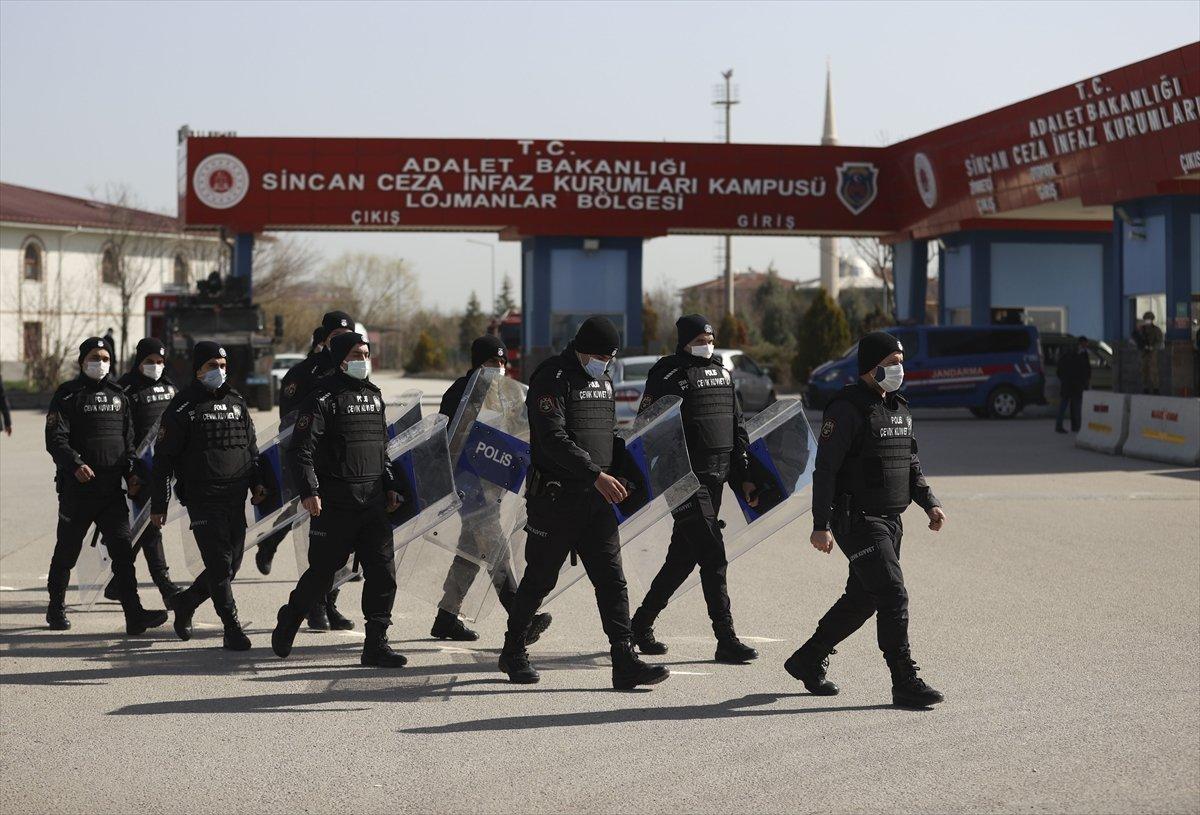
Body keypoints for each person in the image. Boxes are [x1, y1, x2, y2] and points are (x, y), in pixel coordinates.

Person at [498, 316, 670, 690]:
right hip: (557, 499)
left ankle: (624, 660)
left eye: (610, 357)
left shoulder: (603, 380)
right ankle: (513, 650)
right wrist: (595, 473)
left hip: (597, 499)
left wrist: (630, 469)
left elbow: (605, 434)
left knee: (611, 580)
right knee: (539, 579)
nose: (604, 362)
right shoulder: (551, 378)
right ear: (580, 349)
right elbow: (552, 437)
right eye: (599, 355)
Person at [785, 331, 947, 708]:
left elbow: (909, 463)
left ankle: (807, 659)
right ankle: (904, 681)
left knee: (862, 599)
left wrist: (929, 502)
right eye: (891, 363)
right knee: (892, 594)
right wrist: (820, 525)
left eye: (901, 362)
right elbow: (825, 469)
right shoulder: (846, 409)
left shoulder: (899, 407)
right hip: (856, 519)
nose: (899, 369)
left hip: (892, 519)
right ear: (870, 367)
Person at [270, 332, 408, 667]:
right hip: (335, 502)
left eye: (366, 353)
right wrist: (309, 491)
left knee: (383, 573)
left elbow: (382, 450)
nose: (363, 359)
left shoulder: (374, 398)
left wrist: (389, 483)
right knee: (323, 573)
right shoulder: (322, 399)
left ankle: (376, 643)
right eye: (356, 354)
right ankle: (291, 617)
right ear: (340, 358)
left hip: (373, 502)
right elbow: (300, 450)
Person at [628, 314, 760, 664]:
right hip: (684, 480)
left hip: (717, 477)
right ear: (684, 341)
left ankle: (639, 625)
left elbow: (737, 428)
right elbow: (648, 427)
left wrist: (744, 475)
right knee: (713, 555)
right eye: (700, 338)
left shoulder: (722, 374)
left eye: (710, 338)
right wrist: (665, 475)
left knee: (682, 559)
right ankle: (725, 638)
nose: (707, 343)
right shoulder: (668, 375)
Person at [429, 334, 552, 644]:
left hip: (494, 486)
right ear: (476, 363)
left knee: (471, 551)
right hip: (469, 487)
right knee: (496, 550)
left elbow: (519, 433)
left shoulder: (506, 394)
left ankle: (446, 618)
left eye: (501, 362)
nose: (497, 367)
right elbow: (447, 438)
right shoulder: (460, 391)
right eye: (491, 362)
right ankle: (521, 620)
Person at [43, 337, 169, 634]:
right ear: (82, 361)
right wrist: (75, 464)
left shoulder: (118, 396)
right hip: (78, 492)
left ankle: (134, 615)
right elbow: (55, 439)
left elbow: (127, 443)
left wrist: (132, 473)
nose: (100, 363)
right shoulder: (67, 395)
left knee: (124, 554)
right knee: (66, 551)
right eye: (94, 357)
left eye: (105, 358)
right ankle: (55, 608)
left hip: (112, 493)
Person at [150, 341, 266, 651]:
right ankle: (232, 626)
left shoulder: (237, 402)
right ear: (198, 369)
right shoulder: (182, 407)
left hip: (235, 496)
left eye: (223, 366)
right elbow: (163, 460)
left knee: (231, 565)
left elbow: (250, 448)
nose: (219, 371)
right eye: (212, 366)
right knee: (218, 564)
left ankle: (186, 601)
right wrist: (159, 504)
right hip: (203, 498)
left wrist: (257, 483)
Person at [256, 311, 355, 633]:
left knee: (342, 544)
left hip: (345, 469)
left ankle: (330, 603)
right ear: (323, 340)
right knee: (320, 540)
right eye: (335, 338)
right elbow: (291, 425)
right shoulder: (305, 373)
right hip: (314, 464)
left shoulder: (355, 373)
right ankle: (315, 607)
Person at [101, 338, 182, 606]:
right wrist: (130, 472)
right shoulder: (124, 389)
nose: (156, 367)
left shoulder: (170, 387)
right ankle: (166, 586)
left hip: (163, 470)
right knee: (149, 528)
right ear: (139, 361)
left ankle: (117, 582)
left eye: (160, 362)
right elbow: (120, 433)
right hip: (136, 472)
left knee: (143, 527)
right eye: (150, 362)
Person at [1055, 336, 1092, 434]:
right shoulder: (1081, 356)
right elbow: (1085, 370)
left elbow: (1059, 371)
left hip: (1068, 384)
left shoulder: (1067, 355)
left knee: (1065, 406)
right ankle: (1076, 426)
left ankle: (1061, 425)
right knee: (1075, 406)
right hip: (1076, 385)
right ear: (1082, 343)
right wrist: (1085, 381)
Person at [1133, 311, 1163, 394]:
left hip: (1152, 353)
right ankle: (1145, 387)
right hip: (1144, 353)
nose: (1147, 321)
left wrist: (1152, 347)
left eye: (1149, 319)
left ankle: (1156, 388)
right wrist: (1142, 346)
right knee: (1144, 370)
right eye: (1146, 319)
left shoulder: (1156, 330)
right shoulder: (1141, 329)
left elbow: (1159, 341)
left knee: (1153, 371)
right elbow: (1136, 338)